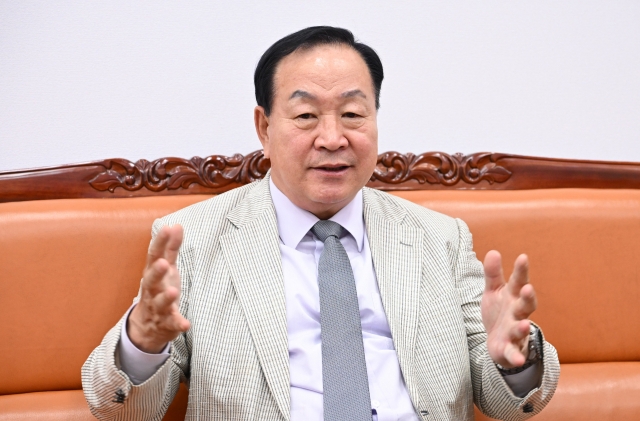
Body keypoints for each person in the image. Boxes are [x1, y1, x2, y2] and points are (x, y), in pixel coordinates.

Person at [82, 26, 559, 421]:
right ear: (265, 129)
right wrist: (143, 343)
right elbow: (122, 411)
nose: (332, 138)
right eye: (306, 115)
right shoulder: (192, 239)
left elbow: (509, 406)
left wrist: (512, 360)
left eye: (353, 114)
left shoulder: (440, 238)